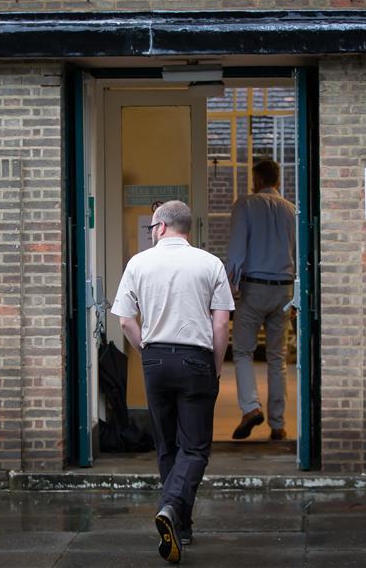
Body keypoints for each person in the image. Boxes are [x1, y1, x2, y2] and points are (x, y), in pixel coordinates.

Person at [112, 200, 234, 564]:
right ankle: (172, 507)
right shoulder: (210, 264)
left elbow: (124, 320)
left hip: (156, 359)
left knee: (167, 446)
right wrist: (215, 365)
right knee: (195, 448)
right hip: (196, 359)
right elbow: (222, 323)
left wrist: (146, 350)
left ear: (162, 227)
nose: (152, 233)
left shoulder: (139, 263)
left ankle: (181, 525)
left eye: (152, 228)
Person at [225, 158, 296, 441]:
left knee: (242, 351)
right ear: (277, 181)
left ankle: (250, 408)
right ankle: (278, 425)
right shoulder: (292, 210)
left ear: (256, 180)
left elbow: (237, 249)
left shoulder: (245, 204)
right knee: (277, 357)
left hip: (253, 288)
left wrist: (230, 287)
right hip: (284, 290)